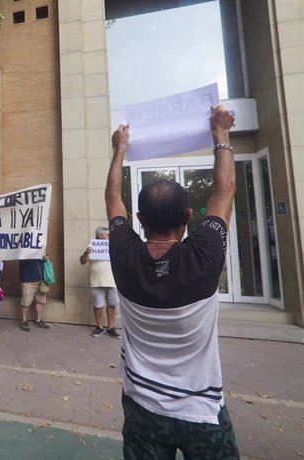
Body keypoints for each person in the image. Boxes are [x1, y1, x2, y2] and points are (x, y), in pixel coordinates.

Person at [105, 106, 240, 459]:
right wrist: (221, 135)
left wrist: (119, 149)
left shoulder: (122, 255)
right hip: (202, 413)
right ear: (188, 217)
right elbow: (224, 192)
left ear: (139, 219)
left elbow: (112, 200)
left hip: (142, 407)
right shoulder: (203, 257)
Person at [79, 227, 120, 339]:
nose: (109, 236)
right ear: (100, 235)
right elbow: (82, 262)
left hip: (112, 281)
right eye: (106, 234)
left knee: (112, 305)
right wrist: (86, 253)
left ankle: (111, 328)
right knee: (98, 305)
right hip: (97, 282)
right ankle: (99, 327)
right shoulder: (90, 246)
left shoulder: (113, 246)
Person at [18, 258, 49, 331]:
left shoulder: (42, 247)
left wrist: (46, 257)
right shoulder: (23, 249)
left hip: (41, 279)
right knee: (26, 301)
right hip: (27, 279)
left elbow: (47, 258)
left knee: (40, 300)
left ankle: (38, 320)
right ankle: (24, 321)